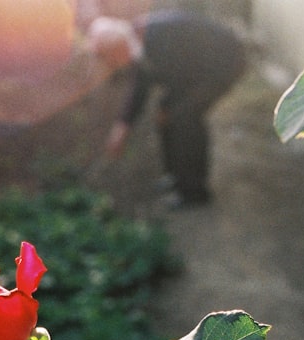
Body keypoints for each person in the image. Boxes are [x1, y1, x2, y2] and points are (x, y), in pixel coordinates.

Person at [88, 12, 246, 208]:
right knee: (166, 112)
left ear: (115, 47)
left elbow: (178, 76)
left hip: (223, 64)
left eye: (108, 56)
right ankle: (176, 176)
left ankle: (194, 192)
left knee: (185, 119)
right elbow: (139, 89)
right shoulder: (135, 41)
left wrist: (167, 109)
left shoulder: (155, 38)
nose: (110, 63)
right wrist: (123, 127)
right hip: (194, 71)